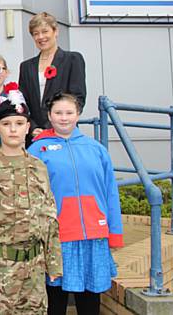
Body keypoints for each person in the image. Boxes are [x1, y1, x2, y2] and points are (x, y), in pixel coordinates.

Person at [0, 85, 63, 314]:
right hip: (0, 267)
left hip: (34, 269)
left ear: (28, 128)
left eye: (19, 124)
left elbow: (49, 215)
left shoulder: (38, 167)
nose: (13, 130)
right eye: (6, 124)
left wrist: (54, 260)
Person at [28, 92, 123, 315]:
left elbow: (110, 192)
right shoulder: (37, 151)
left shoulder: (96, 149)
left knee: (90, 301)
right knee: (56, 300)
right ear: (49, 116)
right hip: (58, 238)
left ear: (78, 114)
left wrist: (115, 232)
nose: (64, 118)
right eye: (58, 113)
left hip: (93, 235)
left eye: (69, 112)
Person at [18, 12, 86, 137]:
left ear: (56, 32)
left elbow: (78, 98)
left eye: (45, 31)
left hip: (63, 131)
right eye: (36, 33)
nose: (40, 37)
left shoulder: (72, 60)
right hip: (35, 135)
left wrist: (51, 127)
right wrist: (32, 128)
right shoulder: (26, 67)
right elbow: (23, 103)